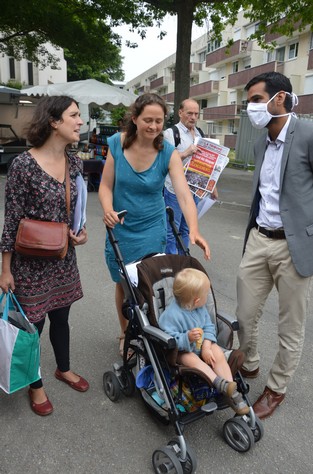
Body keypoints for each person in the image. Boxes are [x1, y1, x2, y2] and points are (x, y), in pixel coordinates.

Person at [98, 93, 210, 357]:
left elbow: (183, 194)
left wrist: (193, 229)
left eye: (159, 121)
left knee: (151, 281)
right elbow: (105, 185)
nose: (153, 126)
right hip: (121, 227)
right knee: (123, 284)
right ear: (134, 119)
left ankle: (153, 331)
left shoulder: (168, 153)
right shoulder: (117, 144)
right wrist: (108, 209)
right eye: (147, 120)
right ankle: (125, 333)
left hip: (152, 227)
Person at [0, 96, 89, 416]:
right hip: (29, 263)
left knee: (62, 318)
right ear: (54, 121)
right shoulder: (23, 164)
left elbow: (77, 210)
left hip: (63, 257)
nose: (80, 122)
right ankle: (35, 384)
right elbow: (11, 219)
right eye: (74, 115)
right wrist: (5, 269)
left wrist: (81, 232)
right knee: (32, 325)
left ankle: (62, 368)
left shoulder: (75, 162)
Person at [236, 71, 313, 420]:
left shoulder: (309, 135)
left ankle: (276, 388)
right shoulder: (259, 143)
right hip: (259, 239)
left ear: (278, 98)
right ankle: (250, 364)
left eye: (255, 99)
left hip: (293, 246)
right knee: (244, 312)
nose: (250, 107)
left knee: (290, 326)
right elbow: (263, 193)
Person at [159, 268, 249, 415]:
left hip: (201, 346)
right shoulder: (171, 316)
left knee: (216, 351)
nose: (208, 296)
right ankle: (218, 383)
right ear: (196, 300)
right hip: (181, 351)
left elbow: (209, 326)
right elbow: (168, 340)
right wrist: (186, 338)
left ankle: (231, 390)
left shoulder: (200, 309)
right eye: (206, 294)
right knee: (191, 358)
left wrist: (207, 346)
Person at [163, 99, 204, 254]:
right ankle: (171, 264)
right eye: (189, 113)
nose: (193, 117)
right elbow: (165, 161)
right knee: (172, 229)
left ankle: (182, 261)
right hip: (175, 190)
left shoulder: (200, 133)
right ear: (180, 113)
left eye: (196, 114)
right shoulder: (171, 133)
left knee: (186, 229)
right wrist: (186, 152)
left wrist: (212, 186)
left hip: (195, 189)